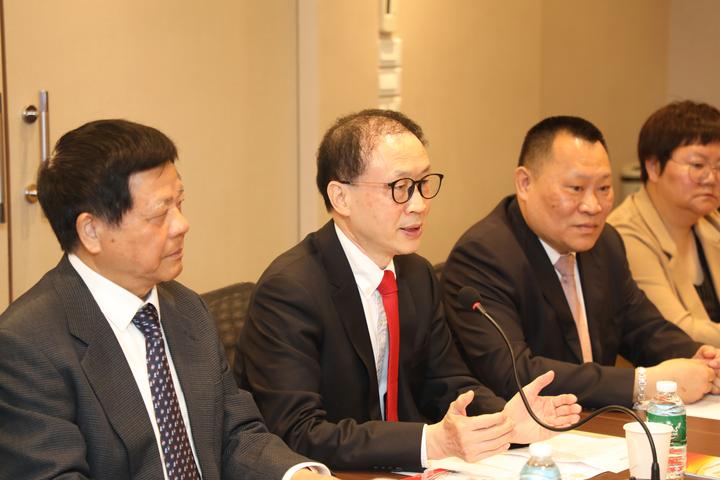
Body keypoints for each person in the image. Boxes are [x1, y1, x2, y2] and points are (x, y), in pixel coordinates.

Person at [235, 109, 581, 472]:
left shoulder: (415, 274)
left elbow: (445, 382)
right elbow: (297, 431)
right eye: (400, 188)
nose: (419, 205)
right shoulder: (290, 291)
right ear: (341, 197)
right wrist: (428, 442)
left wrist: (504, 421)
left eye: (423, 183)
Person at [0, 120, 332, 480]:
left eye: (180, 204)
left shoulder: (185, 308)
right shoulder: (28, 344)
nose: (181, 224)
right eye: (160, 213)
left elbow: (236, 435)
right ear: (91, 231)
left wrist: (300, 476)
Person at [442, 115, 720, 410]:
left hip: (599, 421)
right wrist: (641, 384)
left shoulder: (604, 242)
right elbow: (516, 373)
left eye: (604, 188)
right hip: (524, 431)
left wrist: (699, 357)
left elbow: (642, 327)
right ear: (525, 183)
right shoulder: (483, 256)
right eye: (576, 188)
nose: (593, 206)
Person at [608, 101, 720, 347]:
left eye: (719, 166)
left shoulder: (712, 222)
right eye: (698, 165)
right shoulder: (623, 234)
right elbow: (676, 331)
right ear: (653, 167)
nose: (711, 178)